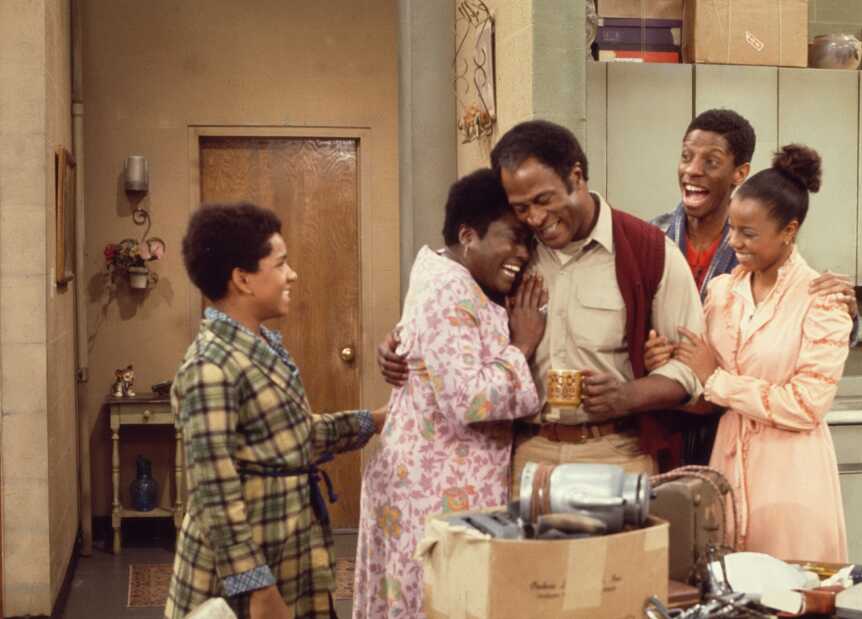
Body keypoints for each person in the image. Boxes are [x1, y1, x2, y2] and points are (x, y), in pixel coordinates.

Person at [379, 120, 705, 486]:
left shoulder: (649, 251)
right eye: (521, 208)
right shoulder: (513, 255)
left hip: (618, 454)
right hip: (527, 457)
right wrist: (401, 343)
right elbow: (450, 307)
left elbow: (692, 370)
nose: (535, 218)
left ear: (576, 177)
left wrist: (627, 396)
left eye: (543, 200)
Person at [166, 203, 383, 619]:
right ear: (242, 279)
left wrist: (372, 421)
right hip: (244, 568)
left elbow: (294, 437)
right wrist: (256, 587)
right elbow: (215, 494)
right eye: (281, 264)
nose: (292, 274)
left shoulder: (260, 344)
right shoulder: (210, 365)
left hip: (288, 543)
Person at [353, 170, 547, 619]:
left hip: (430, 485)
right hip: (432, 493)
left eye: (529, 243)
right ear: (468, 235)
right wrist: (522, 345)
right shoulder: (449, 288)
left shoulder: (455, 276)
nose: (524, 253)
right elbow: (471, 399)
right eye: (514, 238)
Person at [667, 145, 852, 562]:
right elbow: (700, 375)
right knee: (732, 589)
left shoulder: (822, 300)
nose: (734, 243)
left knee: (791, 589)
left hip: (791, 475)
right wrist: (672, 357)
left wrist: (716, 380)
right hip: (727, 464)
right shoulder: (722, 293)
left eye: (749, 234)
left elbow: (806, 406)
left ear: (789, 231)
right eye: (732, 229)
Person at [647, 108, 860, 465]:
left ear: (739, 173)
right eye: (686, 156)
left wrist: (849, 313)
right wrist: (651, 355)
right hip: (665, 422)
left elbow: (794, 319)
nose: (692, 170)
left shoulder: (765, 253)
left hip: (734, 425)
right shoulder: (653, 238)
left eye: (710, 161)